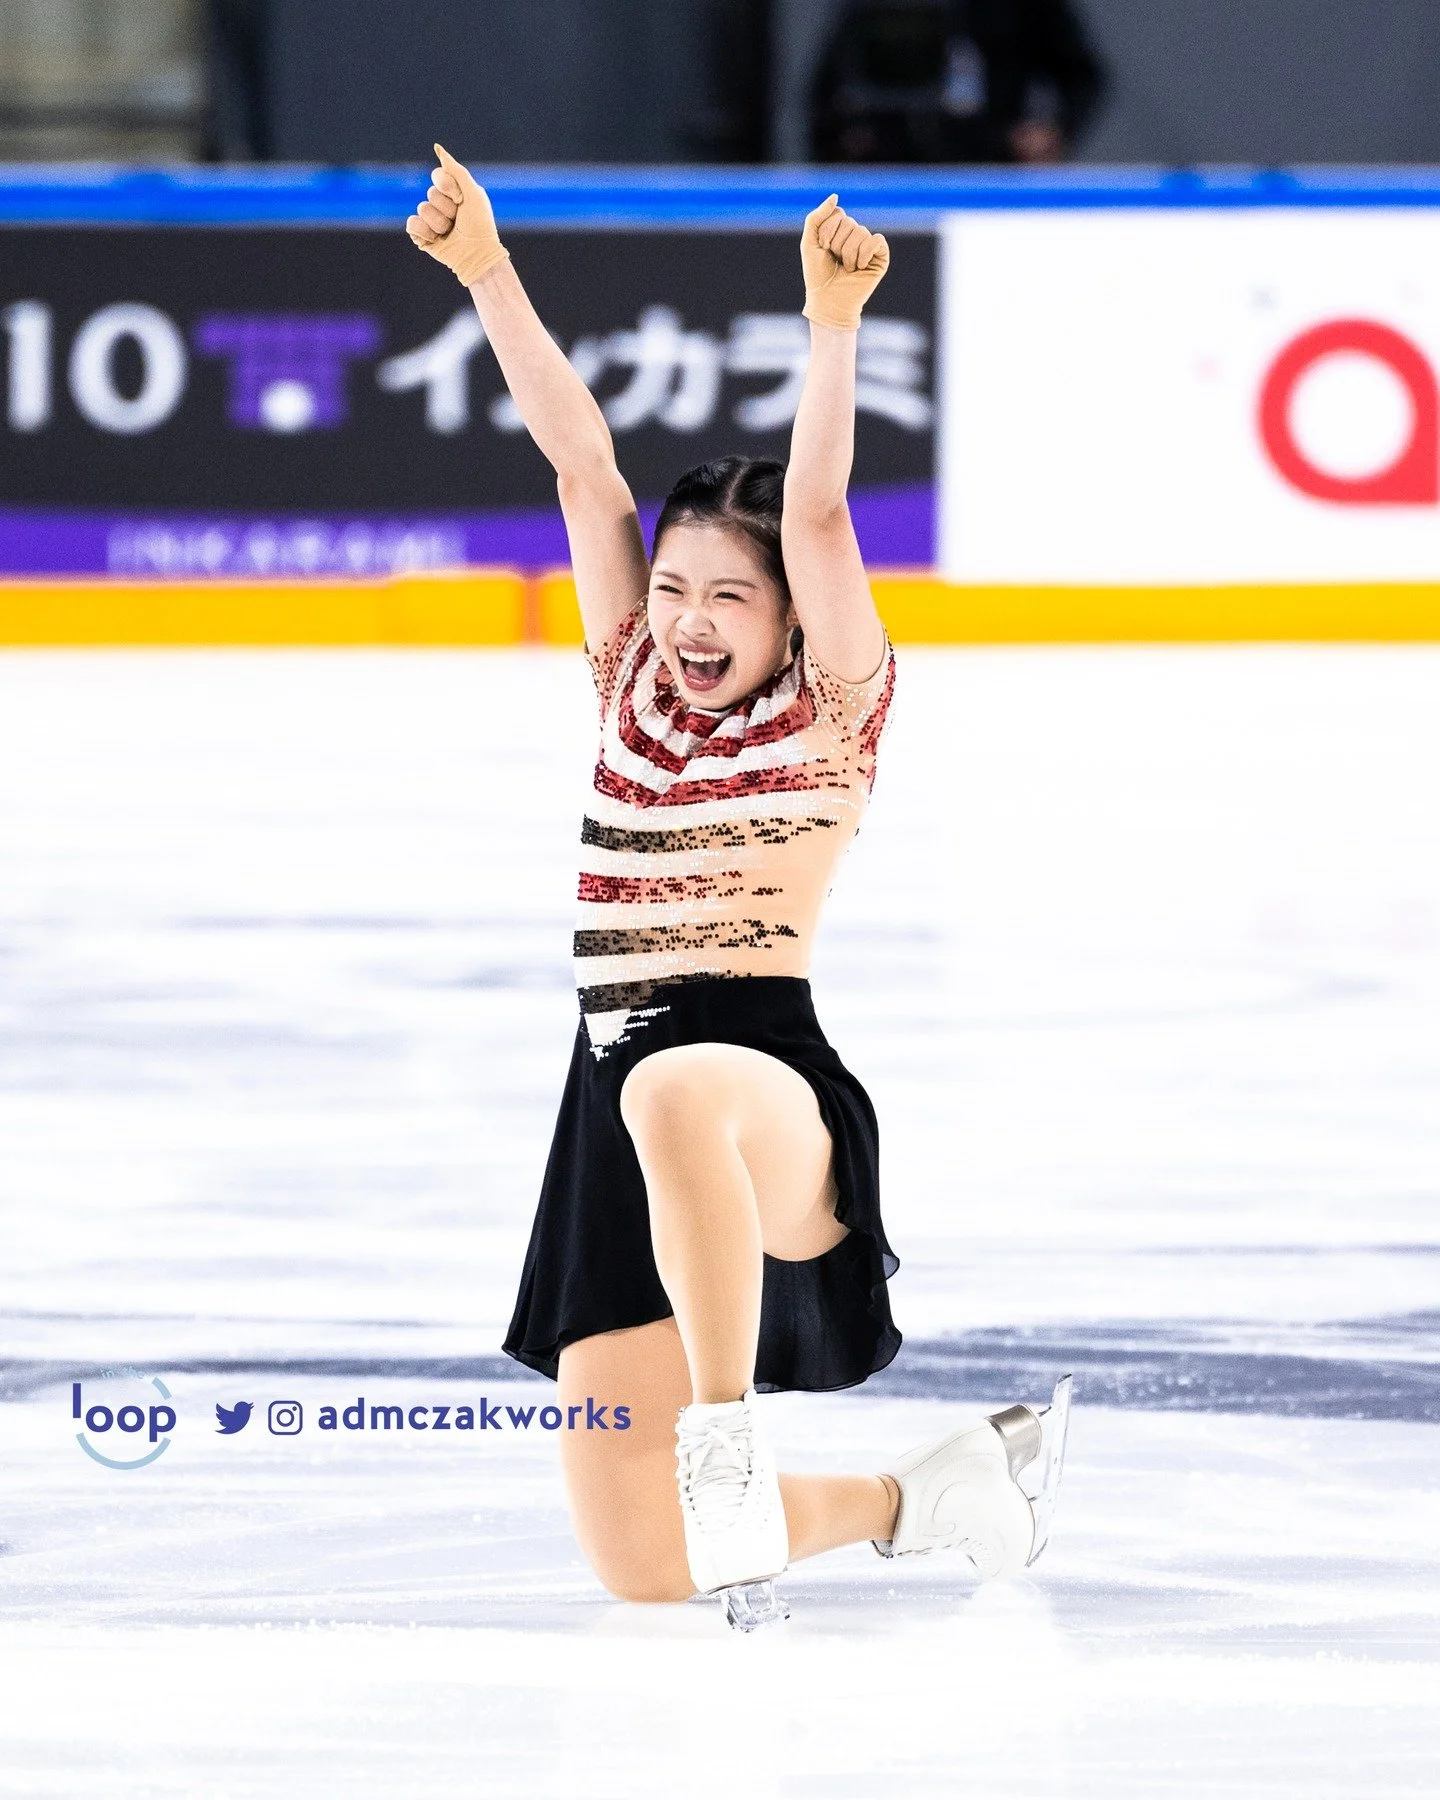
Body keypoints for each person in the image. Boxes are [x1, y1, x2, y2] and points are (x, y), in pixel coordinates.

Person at [405, 149, 1070, 1626]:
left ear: (789, 619)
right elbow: (586, 468)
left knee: (673, 1086)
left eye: (731, 596)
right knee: (646, 1565)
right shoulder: (630, 682)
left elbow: (823, 513)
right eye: (679, 589)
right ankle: (938, 1492)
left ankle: (725, 1425)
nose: (692, 621)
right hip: (612, 1095)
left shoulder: (835, 710)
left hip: (760, 1078)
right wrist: (485, 275)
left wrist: (831, 324)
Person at [811, 0, 1106, 165]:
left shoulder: (1022, 9)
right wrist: (844, 139)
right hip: (889, 170)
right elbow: (828, 86)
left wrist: (1052, 130)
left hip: (991, 167)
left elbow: (1082, 75)